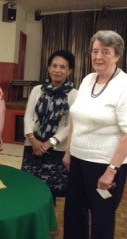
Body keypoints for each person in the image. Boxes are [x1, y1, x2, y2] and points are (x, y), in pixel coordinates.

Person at [63, 30, 127, 239]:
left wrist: (111, 171)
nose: (98, 57)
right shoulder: (88, 79)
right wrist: (68, 151)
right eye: (95, 51)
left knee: (101, 217)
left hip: (105, 165)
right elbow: (76, 117)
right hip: (78, 161)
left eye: (106, 52)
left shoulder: (124, 85)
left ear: (117, 55)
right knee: (73, 213)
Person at [21, 50, 77, 203]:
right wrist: (33, 140)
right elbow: (29, 116)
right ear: (48, 68)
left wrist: (49, 143)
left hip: (56, 150)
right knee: (28, 188)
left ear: (69, 71)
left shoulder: (73, 94)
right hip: (32, 146)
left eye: (62, 67)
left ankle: (46, 225)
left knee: (49, 193)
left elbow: (70, 124)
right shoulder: (37, 90)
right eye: (54, 66)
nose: (57, 70)